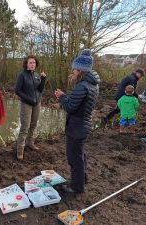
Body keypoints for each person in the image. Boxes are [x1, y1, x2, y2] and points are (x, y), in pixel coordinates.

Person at [54, 49, 100, 193]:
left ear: (81, 70)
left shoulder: (82, 86)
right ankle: (82, 179)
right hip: (84, 125)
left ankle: (76, 187)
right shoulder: (93, 84)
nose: (72, 71)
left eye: (74, 68)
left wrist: (61, 97)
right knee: (80, 155)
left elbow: (71, 108)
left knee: (74, 159)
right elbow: (78, 104)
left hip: (77, 127)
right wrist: (67, 96)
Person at [15, 55, 47, 160]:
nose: (33, 64)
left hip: (37, 103)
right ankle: (20, 150)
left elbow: (40, 89)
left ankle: (30, 143)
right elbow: (17, 90)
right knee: (25, 126)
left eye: (34, 63)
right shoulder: (22, 75)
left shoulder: (37, 75)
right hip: (26, 104)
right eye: (30, 63)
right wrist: (28, 99)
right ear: (26, 64)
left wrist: (43, 79)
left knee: (33, 125)